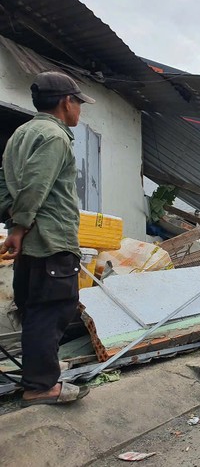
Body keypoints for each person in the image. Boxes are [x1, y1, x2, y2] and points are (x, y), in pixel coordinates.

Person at [0, 71, 95, 406]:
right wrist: (19, 228)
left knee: (32, 309)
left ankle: (41, 371)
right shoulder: (54, 136)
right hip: (51, 239)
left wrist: (13, 221)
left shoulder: (19, 135)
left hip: (31, 244)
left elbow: (4, 182)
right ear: (66, 102)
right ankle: (42, 387)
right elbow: (37, 185)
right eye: (78, 103)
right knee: (53, 309)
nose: (80, 111)